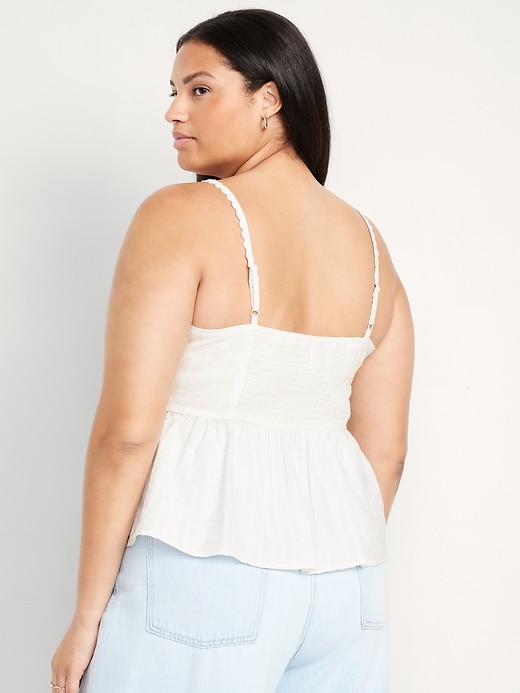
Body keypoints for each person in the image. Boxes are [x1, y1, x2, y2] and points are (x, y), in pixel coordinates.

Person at [50, 8, 414, 693]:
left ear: (269, 98)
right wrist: (317, 545)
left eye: (199, 89)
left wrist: (86, 615)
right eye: (174, 92)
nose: (174, 111)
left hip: (206, 576)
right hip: (348, 590)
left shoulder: (180, 217)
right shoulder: (371, 247)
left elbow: (127, 434)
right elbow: (387, 452)